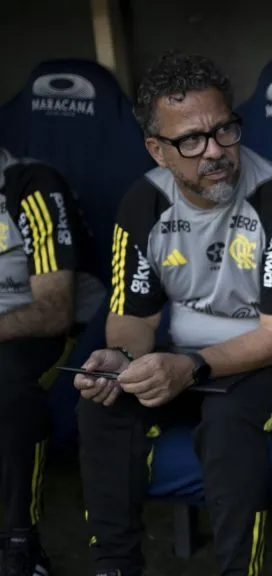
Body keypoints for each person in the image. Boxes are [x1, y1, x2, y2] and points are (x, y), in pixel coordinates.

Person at [72, 51, 272, 576]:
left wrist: (191, 367)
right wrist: (122, 356)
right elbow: (134, 317)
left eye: (224, 131)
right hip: (185, 350)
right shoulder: (142, 203)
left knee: (227, 419)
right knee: (103, 401)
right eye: (191, 140)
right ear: (157, 149)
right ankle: (115, 567)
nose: (215, 151)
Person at [0, 148, 104, 576]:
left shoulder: (31, 186)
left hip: (50, 331)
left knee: (7, 385)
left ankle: (20, 543)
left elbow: (54, 311)